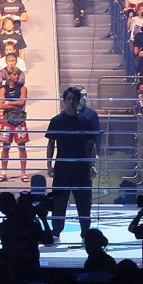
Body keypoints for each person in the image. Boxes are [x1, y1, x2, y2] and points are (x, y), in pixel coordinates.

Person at [46, 86, 97, 244]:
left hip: (81, 168)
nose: (71, 102)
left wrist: (92, 165)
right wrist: (49, 165)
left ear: (78, 101)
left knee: (84, 202)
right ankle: (56, 232)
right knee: (59, 202)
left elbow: (91, 145)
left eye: (74, 99)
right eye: (68, 99)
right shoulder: (56, 121)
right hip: (62, 167)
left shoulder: (85, 121)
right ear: (64, 101)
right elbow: (51, 144)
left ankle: (85, 233)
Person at [0, 68, 30, 181]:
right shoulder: (3, 89)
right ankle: (3, 173)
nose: (17, 77)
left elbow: (22, 102)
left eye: (18, 75)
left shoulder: (23, 88)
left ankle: (23, 173)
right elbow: (1, 105)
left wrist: (8, 103)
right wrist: (14, 104)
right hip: (7, 120)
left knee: (22, 147)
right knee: (5, 147)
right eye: (14, 74)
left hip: (20, 120)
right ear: (9, 76)